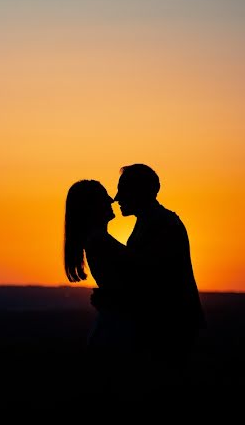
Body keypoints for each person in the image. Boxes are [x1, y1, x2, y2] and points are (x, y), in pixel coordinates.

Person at [86, 164, 206, 392]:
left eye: (124, 191)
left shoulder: (164, 224)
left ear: (142, 191)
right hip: (163, 326)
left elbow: (147, 271)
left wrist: (102, 241)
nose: (117, 198)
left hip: (172, 328)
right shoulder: (149, 223)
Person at [63, 179, 137, 386]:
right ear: (91, 206)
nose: (111, 199)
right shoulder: (99, 241)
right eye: (104, 196)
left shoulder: (98, 240)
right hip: (117, 332)